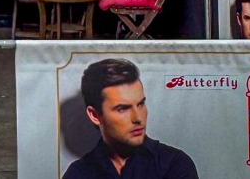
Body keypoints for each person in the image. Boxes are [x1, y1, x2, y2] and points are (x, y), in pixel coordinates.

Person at [63, 58, 199, 179]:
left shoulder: (174, 164)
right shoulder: (78, 173)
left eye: (140, 104)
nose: (138, 118)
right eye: (123, 109)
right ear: (95, 115)